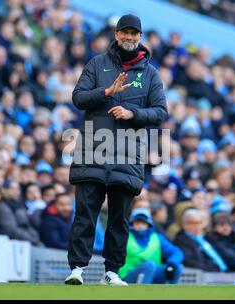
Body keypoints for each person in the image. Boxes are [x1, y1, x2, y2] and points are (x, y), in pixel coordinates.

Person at [65, 14, 168, 286]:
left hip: (128, 156)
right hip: (93, 151)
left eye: (135, 33)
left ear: (140, 36)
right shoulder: (96, 64)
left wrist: (132, 113)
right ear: (117, 34)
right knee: (85, 215)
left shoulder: (150, 74)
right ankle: (77, 269)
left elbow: (160, 112)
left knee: (119, 220)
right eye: (125, 33)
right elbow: (78, 98)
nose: (130, 37)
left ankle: (112, 272)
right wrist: (106, 92)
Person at [119, 208, 183, 284]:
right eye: (137, 222)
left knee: (177, 267)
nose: (140, 225)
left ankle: (171, 295)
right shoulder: (124, 237)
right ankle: (141, 294)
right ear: (132, 223)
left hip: (153, 272)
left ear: (148, 224)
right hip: (127, 275)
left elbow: (176, 252)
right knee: (149, 265)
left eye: (143, 223)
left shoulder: (157, 237)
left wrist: (172, 263)